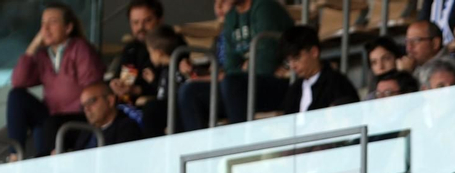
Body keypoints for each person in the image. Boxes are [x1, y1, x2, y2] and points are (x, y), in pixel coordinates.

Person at [178, 0, 293, 129]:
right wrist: (246, 66)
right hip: (240, 87)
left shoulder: (264, 7)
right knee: (189, 91)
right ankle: (201, 147)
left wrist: (245, 67)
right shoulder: (232, 16)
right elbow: (230, 67)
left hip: (279, 85)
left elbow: (265, 65)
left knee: (232, 83)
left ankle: (241, 142)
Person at [7, 4, 103, 156]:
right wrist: (35, 44)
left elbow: (93, 88)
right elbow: (18, 81)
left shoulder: (80, 48)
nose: (45, 28)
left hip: (79, 116)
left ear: (68, 28)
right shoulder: (43, 55)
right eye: (43, 24)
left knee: (50, 124)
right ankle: (14, 155)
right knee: (16, 96)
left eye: (52, 22)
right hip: (52, 117)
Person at [278, 26, 358, 112]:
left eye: (296, 58)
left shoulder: (337, 84)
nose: (292, 66)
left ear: (314, 52)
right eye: (288, 61)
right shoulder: (294, 90)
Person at [105, 0, 161, 103]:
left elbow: (168, 86)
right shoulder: (131, 48)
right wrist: (115, 84)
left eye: (147, 21)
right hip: (124, 105)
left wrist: (136, 90)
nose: (140, 27)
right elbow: (120, 76)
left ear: (159, 20)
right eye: (135, 22)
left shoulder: (170, 44)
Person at [76, 81, 145, 149]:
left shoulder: (127, 128)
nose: (86, 109)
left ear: (110, 101)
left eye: (91, 101)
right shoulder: (86, 131)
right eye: (83, 106)